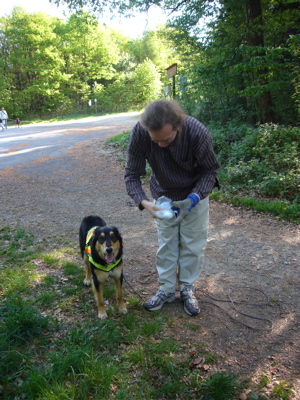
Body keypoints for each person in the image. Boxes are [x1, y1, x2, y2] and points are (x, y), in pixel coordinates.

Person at [124, 99, 219, 316]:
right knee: (166, 245)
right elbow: (131, 174)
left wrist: (192, 200)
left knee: (192, 244)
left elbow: (210, 171)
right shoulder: (140, 132)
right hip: (163, 195)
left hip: (195, 194)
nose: (161, 145)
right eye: (155, 141)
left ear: (178, 125)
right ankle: (166, 290)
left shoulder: (196, 132)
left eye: (166, 140)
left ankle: (187, 288)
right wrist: (144, 202)